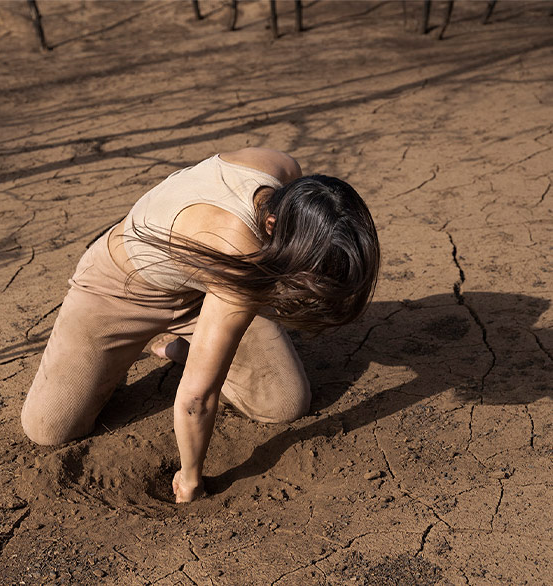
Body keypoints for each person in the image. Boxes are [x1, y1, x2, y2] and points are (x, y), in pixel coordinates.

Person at [21, 147, 380, 503]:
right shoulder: (236, 250)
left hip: (207, 290)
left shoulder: (284, 171)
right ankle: (124, 352)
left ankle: (185, 347)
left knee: (284, 403)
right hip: (122, 288)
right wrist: (190, 478)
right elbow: (196, 399)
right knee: (49, 427)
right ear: (272, 224)